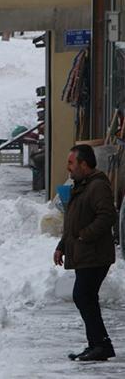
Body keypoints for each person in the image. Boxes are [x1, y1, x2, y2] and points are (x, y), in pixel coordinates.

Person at [55, 144, 117, 362]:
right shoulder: (81, 186)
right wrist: (62, 245)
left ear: (84, 164)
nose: (68, 167)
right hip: (85, 253)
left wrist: (85, 235)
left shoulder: (97, 186)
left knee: (83, 296)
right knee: (86, 297)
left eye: (72, 163)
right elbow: (72, 220)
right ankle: (98, 344)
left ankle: (100, 344)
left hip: (95, 254)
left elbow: (107, 216)